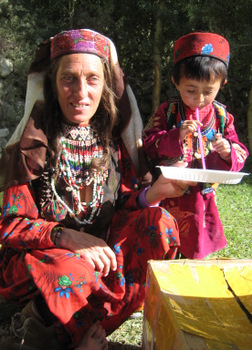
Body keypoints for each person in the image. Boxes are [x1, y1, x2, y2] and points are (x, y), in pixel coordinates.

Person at [0, 29, 194, 350]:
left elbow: (128, 205)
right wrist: (67, 237)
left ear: (105, 86)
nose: (80, 92)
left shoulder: (111, 143)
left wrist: (159, 190)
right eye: (69, 79)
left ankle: (75, 329)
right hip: (45, 263)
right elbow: (9, 225)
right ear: (52, 84)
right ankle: (64, 334)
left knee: (160, 226)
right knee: (72, 269)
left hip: (98, 261)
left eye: (92, 79)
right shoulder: (31, 146)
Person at [143, 32, 249, 260]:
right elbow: (149, 144)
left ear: (222, 84)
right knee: (162, 244)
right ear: (175, 82)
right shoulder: (167, 111)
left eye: (208, 91)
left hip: (202, 197)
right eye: (190, 90)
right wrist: (175, 136)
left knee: (195, 249)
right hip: (167, 191)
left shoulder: (222, 117)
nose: (199, 99)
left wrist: (228, 152)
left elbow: (240, 150)